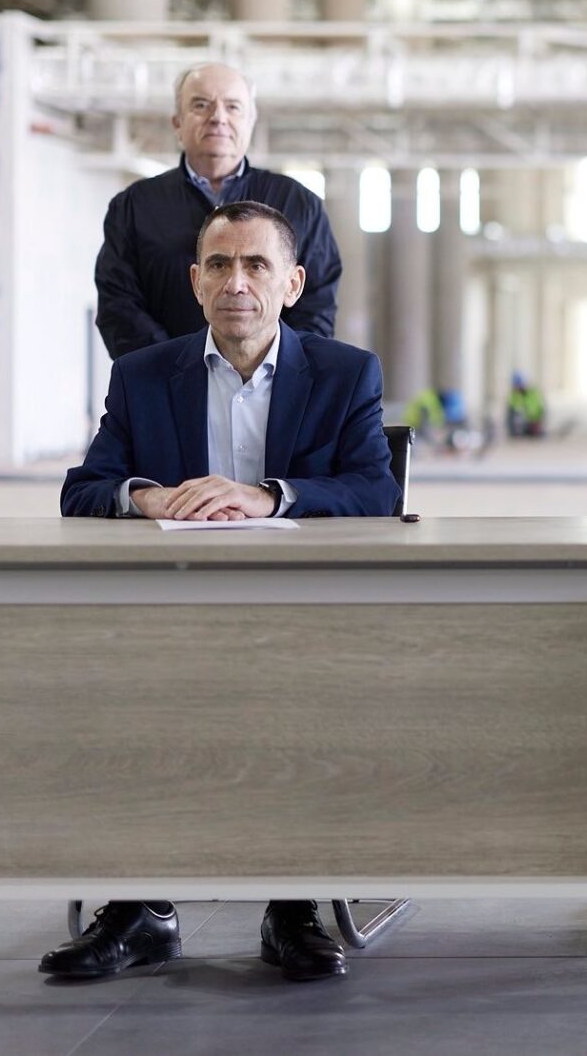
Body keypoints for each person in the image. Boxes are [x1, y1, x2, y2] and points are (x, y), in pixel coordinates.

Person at [51, 201, 398, 983]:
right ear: (195, 281)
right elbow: (84, 488)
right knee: (118, 691)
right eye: (219, 265)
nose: (236, 282)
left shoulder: (346, 374)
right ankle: (140, 910)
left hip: (305, 622)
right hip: (171, 621)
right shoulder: (144, 376)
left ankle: (292, 907)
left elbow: (375, 490)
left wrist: (269, 496)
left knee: (300, 696)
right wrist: (146, 496)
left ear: (292, 283)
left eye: (255, 265)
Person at [93, 62, 342, 360]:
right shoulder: (134, 206)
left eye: (233, 107)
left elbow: (316, 306)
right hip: (162, 383)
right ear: (177, 122)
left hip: (271, 383)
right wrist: (175, 370)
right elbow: (118, 306)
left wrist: (267, 371)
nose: (218, 118)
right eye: (201, 105)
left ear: (250, 121)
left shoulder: (300, 205)